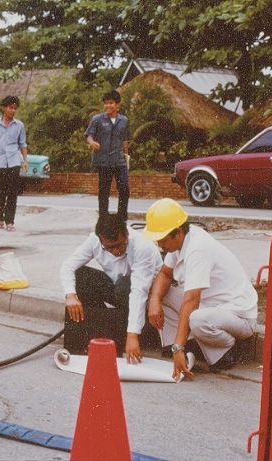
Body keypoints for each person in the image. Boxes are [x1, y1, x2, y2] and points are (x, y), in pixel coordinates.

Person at [141, 198, 258, 380]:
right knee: (162, 294)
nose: (159, 245)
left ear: (178, 232)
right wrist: (154, 301)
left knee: (197, 319)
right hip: (212, 307)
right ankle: (185, 345)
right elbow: (164, 274)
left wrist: (178, 348)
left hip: (239, 316)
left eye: (162, 240)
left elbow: (191, 300)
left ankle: (228, 348)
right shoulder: (180, 244)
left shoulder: (198, 248)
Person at [60, 212, 162, 362]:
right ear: (100, 239)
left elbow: (139, 292)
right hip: (118, 290)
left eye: (120, 245)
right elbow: (68, 266)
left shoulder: (142, 246)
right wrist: (70, 295)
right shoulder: (94, 240)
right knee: (80, 275)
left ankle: (134, 334)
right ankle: (96, 331)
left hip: (146, 299)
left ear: (127, 234)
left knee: (123, 285)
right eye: (109, 248)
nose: (116, 251)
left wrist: (132, 335)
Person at [0, 95, 28, 232]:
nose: (13, 111)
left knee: (13, 192)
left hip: (14, 161)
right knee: (0, 192)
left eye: (15, 108)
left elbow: (22, 144)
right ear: (4, 108)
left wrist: (25, 160)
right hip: (0, 162)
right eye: (10, 108)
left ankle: (10, 221)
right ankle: (1, 218)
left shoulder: (19, 125)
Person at [85, 90, 131, 215]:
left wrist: (126, 159)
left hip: (119, 161)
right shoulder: (97, 119)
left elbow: (125, 141)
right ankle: (103, 217)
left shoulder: (124, 120)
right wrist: (92, 142)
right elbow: (89, 135)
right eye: (106, 103)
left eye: (111, 103)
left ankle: (122, 217)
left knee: (124, 189)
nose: (108, 106)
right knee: (104, 192)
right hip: (103, 162)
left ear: (117, 104)